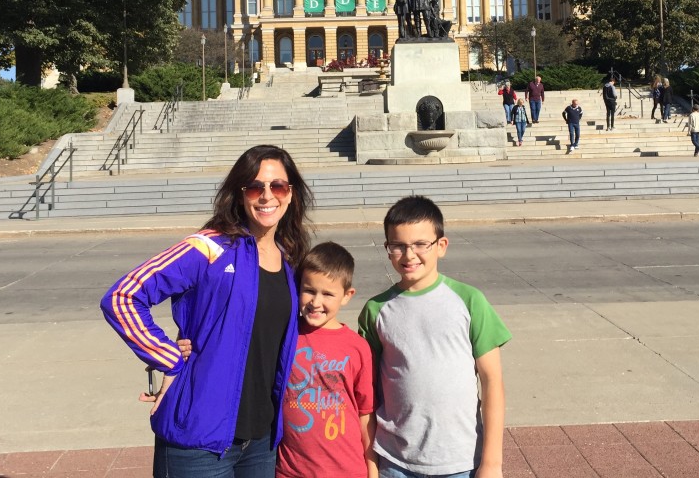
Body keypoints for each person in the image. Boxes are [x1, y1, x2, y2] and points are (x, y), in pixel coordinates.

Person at [100, 145, 312, 478]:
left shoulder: (289, 259)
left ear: (291, 194)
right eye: (255, 187)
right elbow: (122, 297)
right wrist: (167, 356)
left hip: (261, 440)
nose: (266, 196)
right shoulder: (209, 247)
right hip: (198, 440)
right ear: (240, 194)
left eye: (278, 186)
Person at [359, 196, 511, 478]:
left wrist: (492, 463)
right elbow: (366, 392)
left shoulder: (469, 301)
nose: (409, 255)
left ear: (441, 246)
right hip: (395, 461)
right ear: (387, 249)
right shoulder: (376, 310)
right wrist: (370, 463)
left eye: (420, 244)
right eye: (398, 246)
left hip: (460, 460)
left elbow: (492, 383)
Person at [277, 242, 377, 478]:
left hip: (347, 470)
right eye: (309, 290)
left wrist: (372, 470)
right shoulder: (286, 336)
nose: (316, 302)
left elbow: (366, 414)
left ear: (346, 296)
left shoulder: (358, 347)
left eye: (328, 294)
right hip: (291, 470)